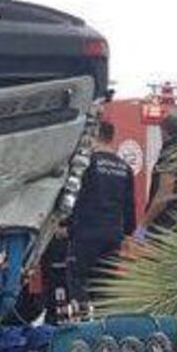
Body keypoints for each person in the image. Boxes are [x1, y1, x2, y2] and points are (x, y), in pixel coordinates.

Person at [66, 120, 136, 302]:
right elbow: (129, 204)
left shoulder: (88, 163)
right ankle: (103, 324)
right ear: (111, 138)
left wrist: (66, 224)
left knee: (78, 282)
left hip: (87, 232)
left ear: (95, 135)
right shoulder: (124, 167)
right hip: (113, 234)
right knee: (105, 285)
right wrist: (128, 233)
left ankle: (82, 325)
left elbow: (76, 196)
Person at [143, 113, 177, 234]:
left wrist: (143, 225)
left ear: (163, 132)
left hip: (169, 226)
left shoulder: (171, 152)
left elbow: (165, 193)